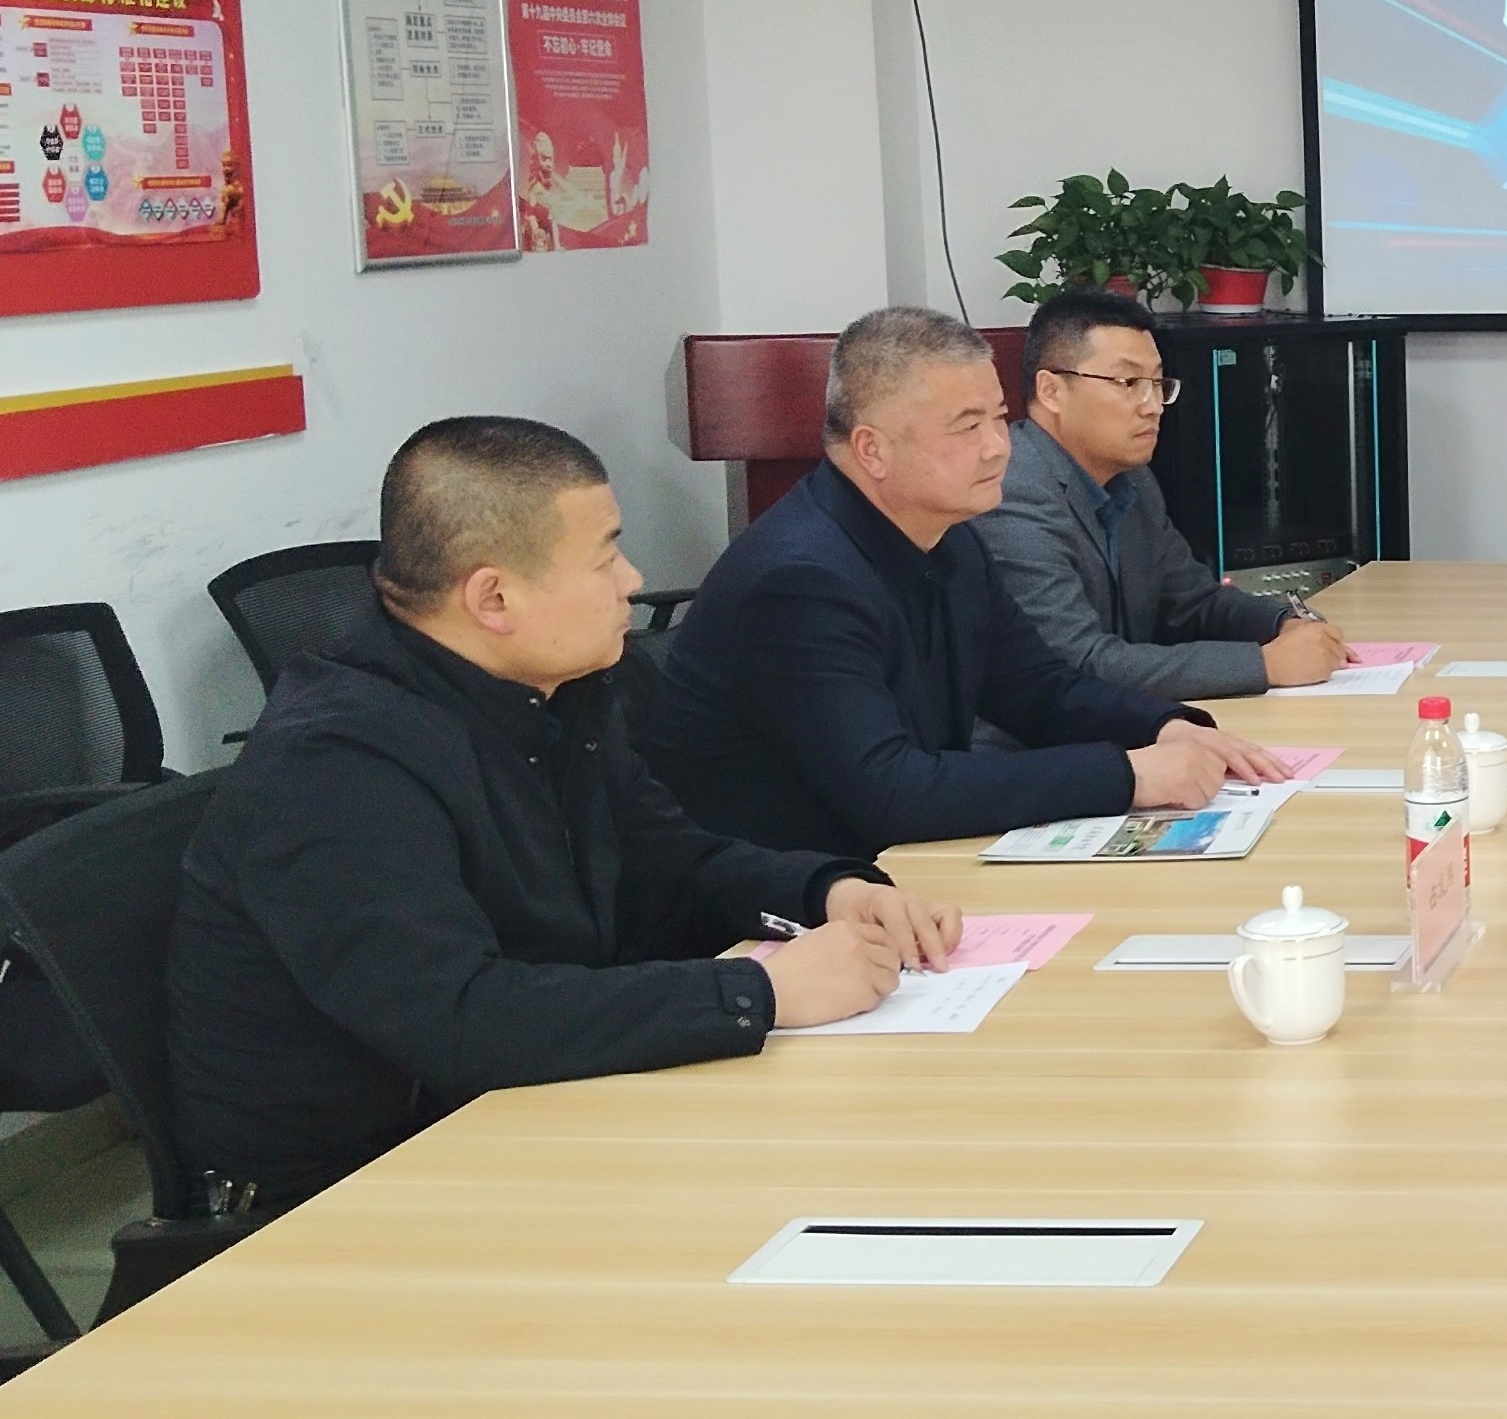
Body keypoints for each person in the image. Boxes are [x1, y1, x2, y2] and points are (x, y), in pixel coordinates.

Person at [170, 418, 960, 1206]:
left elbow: (673, 858)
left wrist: (830, 891)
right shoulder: (335, 764)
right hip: (353, 1191)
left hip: (524, 1108)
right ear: (494, 597)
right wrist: (760, 991)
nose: (632, 578)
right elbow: (461, 1018)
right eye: (605, 556)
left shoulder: (552, 691)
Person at [643, 307, 1291, 860]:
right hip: (790, 908)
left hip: (899, 872)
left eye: (997, 418)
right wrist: (1126, 774)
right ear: (872, 449)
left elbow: (1036, 686)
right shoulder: (799, 580)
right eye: (966, 426)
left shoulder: (947, 535)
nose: (997, 447)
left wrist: (1164, 724)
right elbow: (892, 791)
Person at [972, 287, 1347, 705]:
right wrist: (1265, 664)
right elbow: (1076, 663)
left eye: (1157, 383)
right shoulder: (1011, 493)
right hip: (1034, 739)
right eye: (1129, 382)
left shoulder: (1133, 480)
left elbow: (1192, 601)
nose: (1153, 406)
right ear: (1051, 391)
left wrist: (1282, 622)